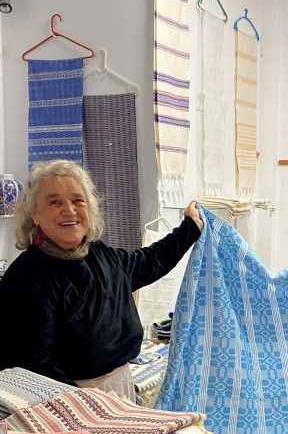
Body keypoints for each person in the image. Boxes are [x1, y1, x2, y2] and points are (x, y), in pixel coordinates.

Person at [0, 160, 204, 399]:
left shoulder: (102, 256)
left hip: (120, 390)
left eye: (78, 200)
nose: (70, 210)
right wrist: (92, 408)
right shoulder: (26, 278)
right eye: (54, 202)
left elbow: (151, 260)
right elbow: (33, 366)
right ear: (35, 214)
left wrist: (191, 226)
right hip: (64, 403)